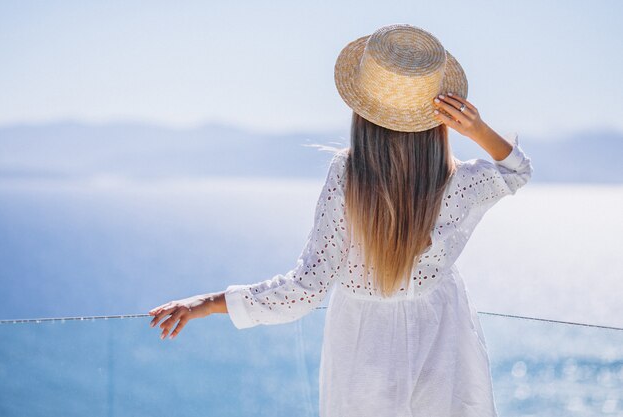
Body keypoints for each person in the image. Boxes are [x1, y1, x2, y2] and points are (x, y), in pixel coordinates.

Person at [149, 23, 533, 417]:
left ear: (363, 112)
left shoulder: (349, 177)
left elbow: (305, 289)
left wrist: (210, 303)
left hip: (364, 353)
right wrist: (478, 128)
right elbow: (517, 172)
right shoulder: (460, 183)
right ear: (439, 117)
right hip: (445, 346)